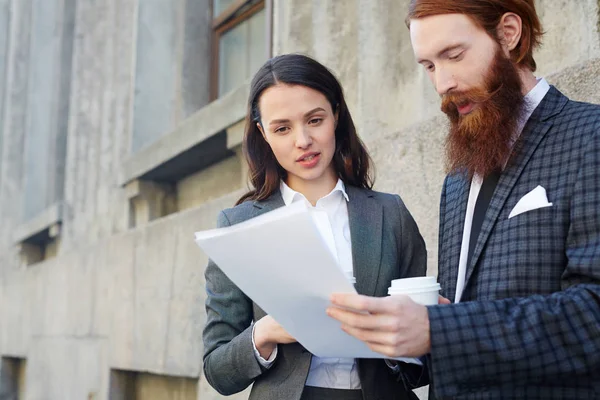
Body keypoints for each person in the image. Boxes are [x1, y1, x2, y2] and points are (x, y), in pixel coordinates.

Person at [326, 1, 600, 399]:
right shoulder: (457, 178)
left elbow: (592, 315)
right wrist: (398, 336)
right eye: (429, 66)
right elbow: (461, 322)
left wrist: (437, 329)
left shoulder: (590, 136)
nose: (442, 84)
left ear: (509, 34)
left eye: (454, 56)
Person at [202, 53, 427, 400]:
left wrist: (393, 340)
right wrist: (265, 332)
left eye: (315, 120)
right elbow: (218, 371)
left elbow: (423, 362)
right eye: (282, 128)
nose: (302, 140)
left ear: (336, 115)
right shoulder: (239, 226)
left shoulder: (389, 214)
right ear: (263, 133)